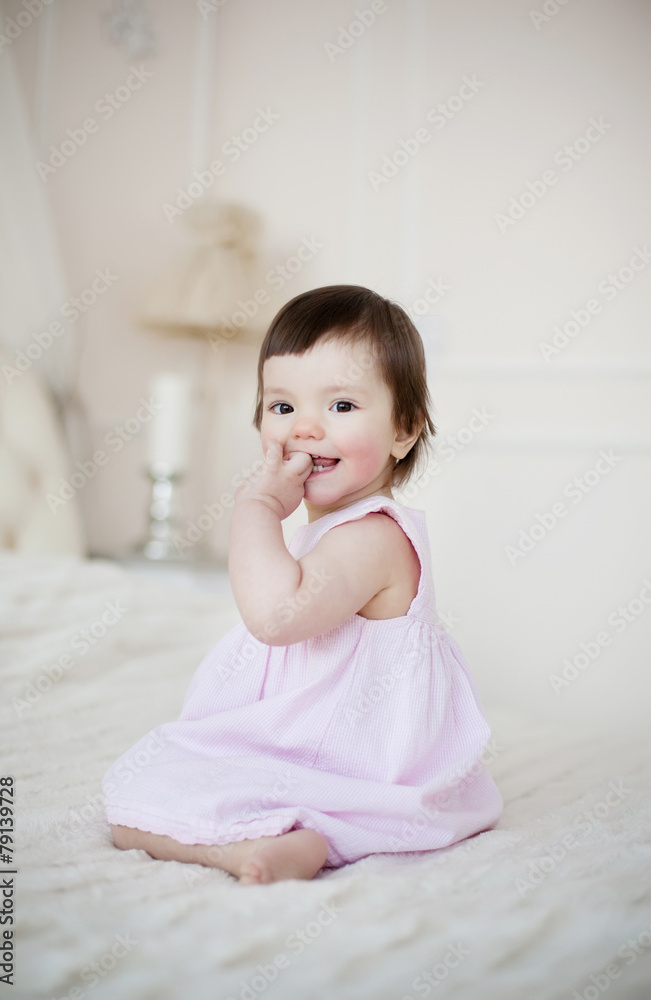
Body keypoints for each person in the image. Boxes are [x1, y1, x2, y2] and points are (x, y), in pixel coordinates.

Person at [104, 284, 503, 886]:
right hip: (303, 747)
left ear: (405, 429)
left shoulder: (373, 537)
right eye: (282, 407)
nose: (306, 428)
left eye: (341, 406)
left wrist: (258, 508)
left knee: (153, 791)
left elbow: (277, 617)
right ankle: (262, 844)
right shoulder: (328, 535)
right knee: (132, 802)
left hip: (349, 763)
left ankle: (274, 839)